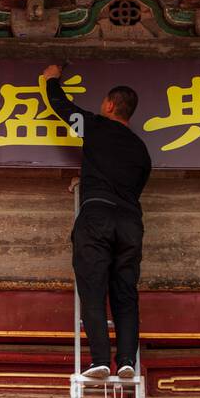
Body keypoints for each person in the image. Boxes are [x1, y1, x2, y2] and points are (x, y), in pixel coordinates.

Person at [41, 63, 151, 380]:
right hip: (130, 223)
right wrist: (86, 179)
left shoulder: (95, 125)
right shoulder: (141, 150)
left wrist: (51, 80)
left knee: (93, 288)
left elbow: (62, 108)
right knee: (125, 294)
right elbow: (131, 187)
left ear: (109, 105)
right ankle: (127, 360)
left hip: (97, 218)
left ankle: (101, 360)